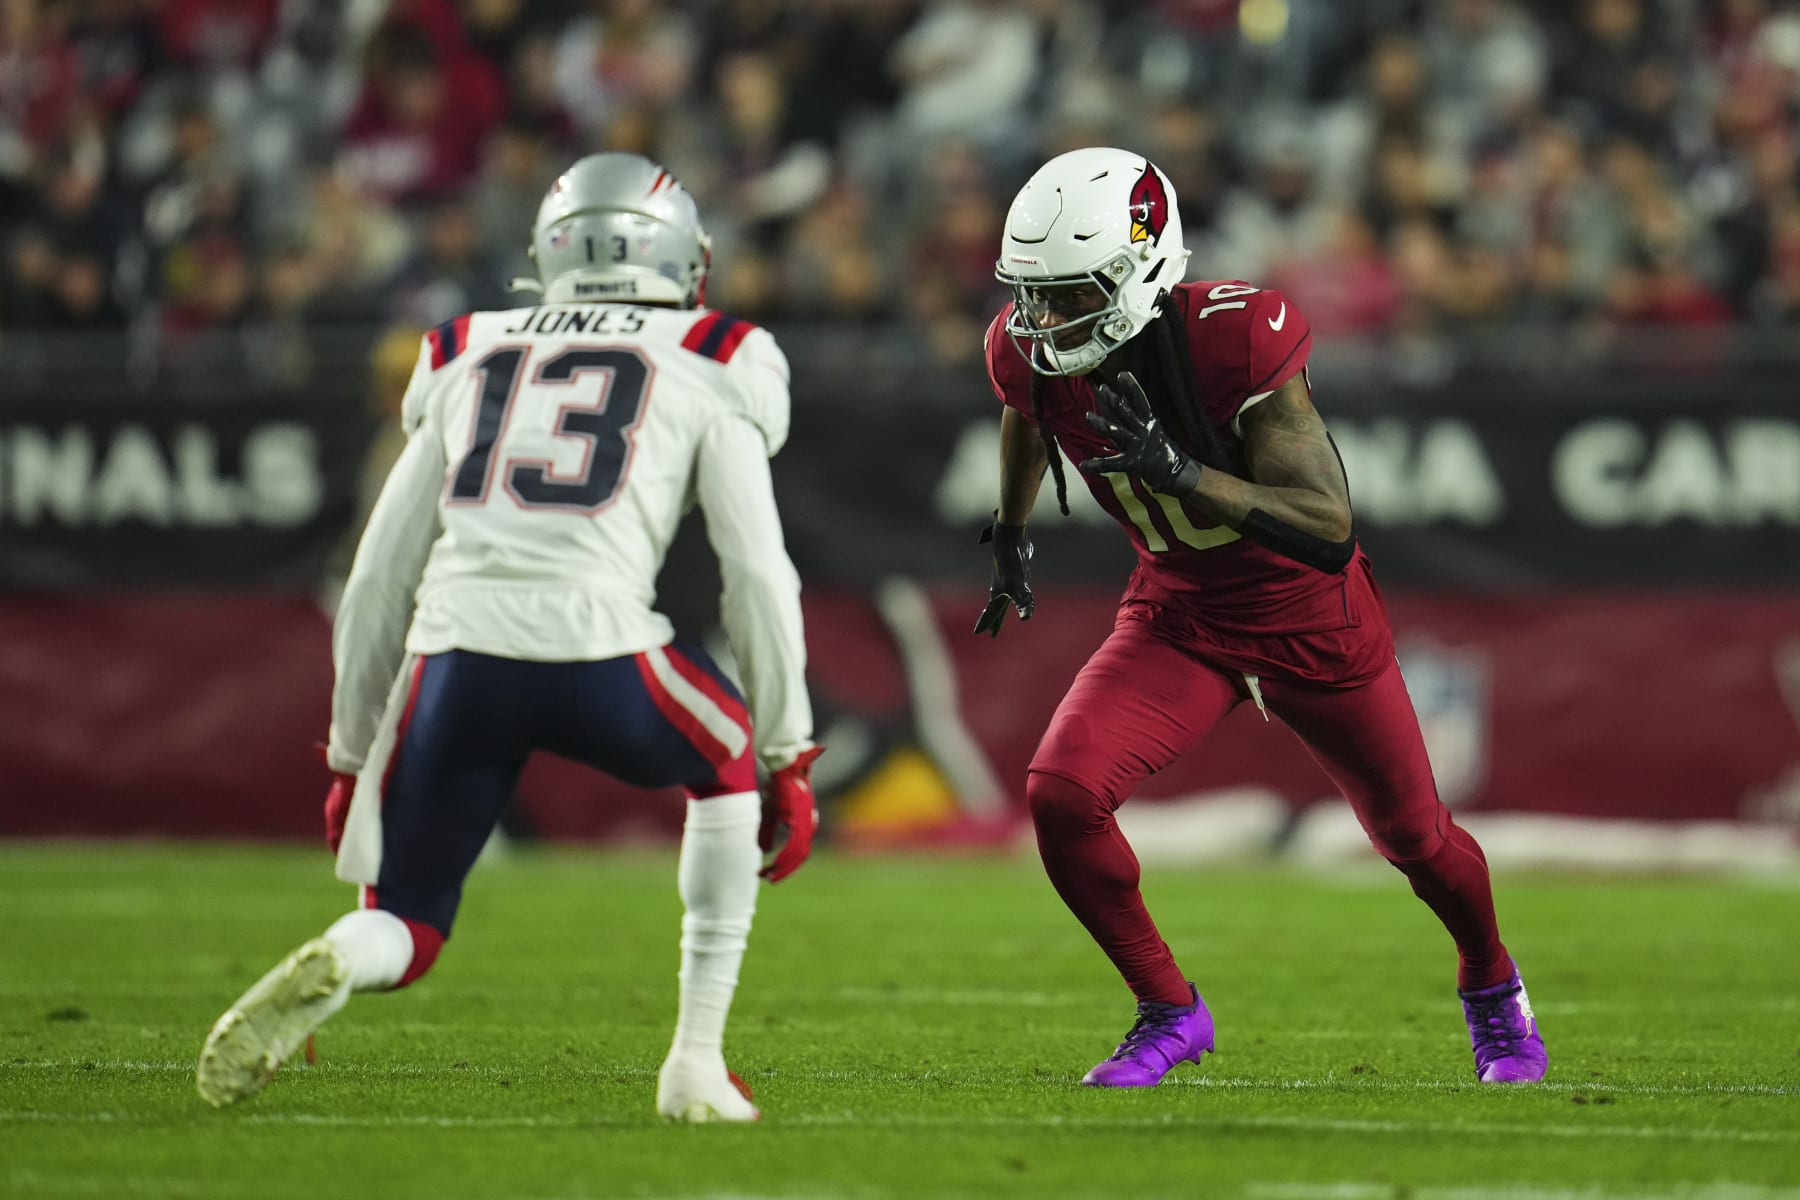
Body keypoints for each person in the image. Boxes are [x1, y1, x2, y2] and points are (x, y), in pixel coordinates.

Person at [196, 153, 822, 1123]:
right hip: (600, 642)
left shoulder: (465, 345)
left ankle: (344, 954)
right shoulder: (715, 349)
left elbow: (376, 577)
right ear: (674, 254)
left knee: (407, 923)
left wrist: (354, 754)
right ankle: (694, 1064)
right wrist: (788, 752)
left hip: (454, 658)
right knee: (729, 756)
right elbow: (756, 570)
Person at [976, 147, 1546, 1088]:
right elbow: (1026, 408)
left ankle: (1493, 989)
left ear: (1138, 266)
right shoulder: (1026, 352)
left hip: (1309, 619)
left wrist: (1184, 472)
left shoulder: (1233, 339)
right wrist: (1011, 530)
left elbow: (1326, 526)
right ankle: (1169, 1009)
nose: (1042, 321)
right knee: (1061, 795)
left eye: (1069, 295)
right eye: (1033, 296)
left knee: (1417, 840)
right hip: (1178, 615)